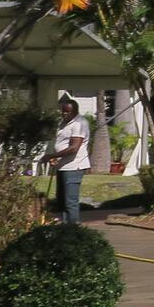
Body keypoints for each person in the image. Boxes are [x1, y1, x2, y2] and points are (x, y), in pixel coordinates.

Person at [42, 95, 92, 226]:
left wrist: (52, 156)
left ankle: (74, 228)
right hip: (62, 166)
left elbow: (74, 147)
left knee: (71, 201)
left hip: (74, 167)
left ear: (75, 111)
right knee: (62, 200)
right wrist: (56, 157)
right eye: (63, 111)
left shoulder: (79, 124)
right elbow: (61, 142)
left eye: (67, 111)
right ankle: (65, 227)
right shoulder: (63, 122)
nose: (64, 114)